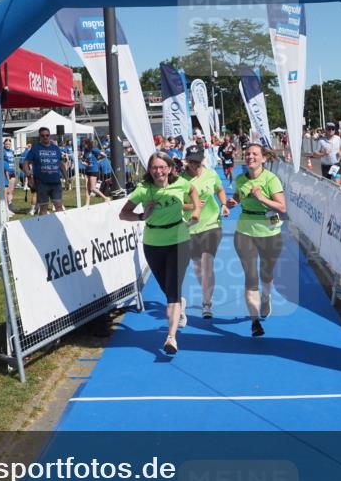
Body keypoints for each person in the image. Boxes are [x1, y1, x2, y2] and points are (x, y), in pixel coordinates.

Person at [119, 152, 201, 354]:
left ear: (170, 168)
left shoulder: (180, 183)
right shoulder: (143, 190)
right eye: (154, 167)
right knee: (168, 288)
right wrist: (141, 215)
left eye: (162, 167)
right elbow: (123, 214)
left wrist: (197, 210)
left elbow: (193, 191)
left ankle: (171, 337)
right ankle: (179, 305)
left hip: (179, 240)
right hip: (153, 243)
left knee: (171, 292)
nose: (159, 171)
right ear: (149, 170)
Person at [227, 143, 287, 337]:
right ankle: (254, 322)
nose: (250, 156)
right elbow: (238, 195)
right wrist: (233, 202)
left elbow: (282, 208)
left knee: (266, 273)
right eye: (247, 154)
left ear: (263, 158)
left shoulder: (271, 179)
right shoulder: (240, 179)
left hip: (269, 232)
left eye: (254, 154)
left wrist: (261, 198)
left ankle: (266, 296)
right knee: (251, 276)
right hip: (245, 231)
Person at [181, 144, 229, 319]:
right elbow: (176, 203)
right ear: (186, 160)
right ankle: (206, 292)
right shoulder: (180, 180)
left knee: (207, 262)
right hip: (190, 227)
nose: (195, 164)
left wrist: (223, 204)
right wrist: (191, 206)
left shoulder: (211, 174)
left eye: (198, 161)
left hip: (211, 224)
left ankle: (206, 303)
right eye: (191, 161)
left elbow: (220, 189)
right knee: (198, 266)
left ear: (202, 159)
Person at [24, 127, 66, 216]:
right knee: (43, 209)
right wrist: (29, 177)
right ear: (40, 136)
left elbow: (61, 163)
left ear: (49, 136)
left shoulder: (56, 148)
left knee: (59, 207)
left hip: (56, 183)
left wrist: (67, 178)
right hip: (42, 183)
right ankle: (43, 229)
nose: (45, 137)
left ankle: (59, 228)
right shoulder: (35, 148)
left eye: (47, 135)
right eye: (43, 135)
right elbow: (26, 163)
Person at [0, 137, 17, 208]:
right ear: (4, 144)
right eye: (6, 144)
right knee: (5, 191)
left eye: (9, 144)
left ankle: (9, 205)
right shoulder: (2, 150)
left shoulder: (11, 151)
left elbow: (12, 161)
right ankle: (4, 206)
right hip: (6, 172)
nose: (7, 145)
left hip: (12, 172)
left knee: (11, 191)